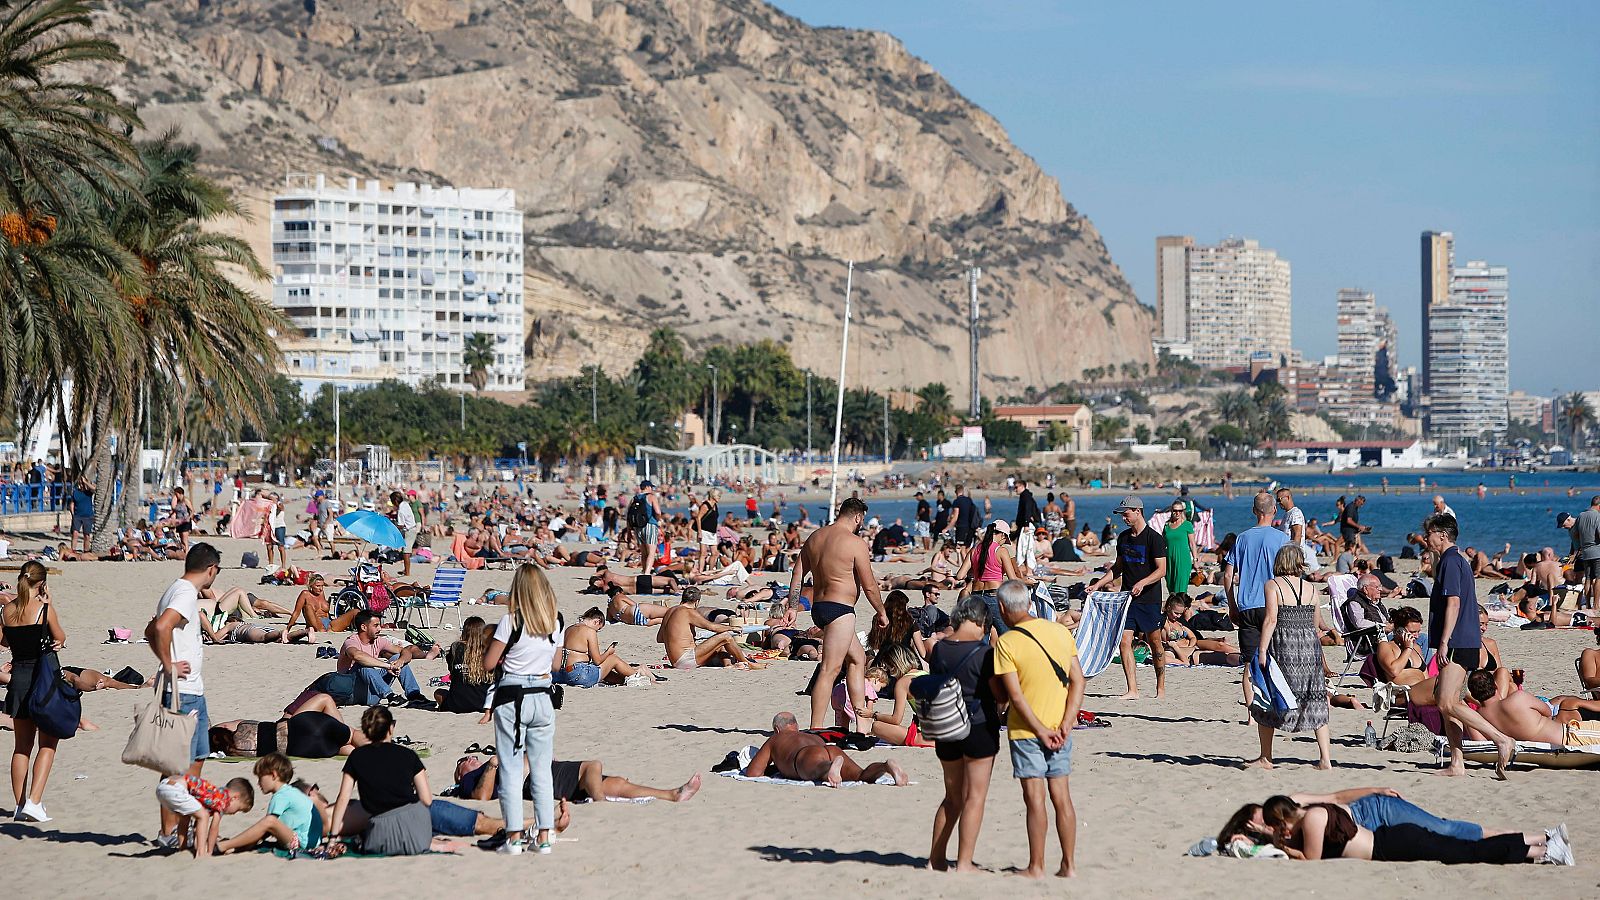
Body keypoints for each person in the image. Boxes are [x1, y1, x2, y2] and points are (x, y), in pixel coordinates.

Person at [990, 580, 1085, 878]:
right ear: (1030, 604)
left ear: (1002, 608)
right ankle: (1068, 865)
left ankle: (1037, 866)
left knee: (1035, 800)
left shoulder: (1006, 643)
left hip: (1027, 731)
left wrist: (1041, 730)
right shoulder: (1059, 631)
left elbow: (1013, 697)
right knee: (1062, 798)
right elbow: (1078, 681)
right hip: (1061, 727)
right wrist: (1067, 722)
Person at [1424, 513, 1513, 777]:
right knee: (1446, 702)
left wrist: (1443, 642)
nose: (1425, 538)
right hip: (1462, 639)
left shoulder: (1452, 562)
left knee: (1447, 702)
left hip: (1456, 641)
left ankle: (1501, 739)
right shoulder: (1453, 560)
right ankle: (1457, 763)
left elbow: (1454, 603)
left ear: (1442, 535)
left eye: (1429, 533)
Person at [481, 563, 562, 855]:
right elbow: (556, 664)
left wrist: (507, 657)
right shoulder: (555, 621)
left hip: (513, 696)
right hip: (543, 696)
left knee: (512, 768)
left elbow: (489, 663)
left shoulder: (511, 621)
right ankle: (544, 835)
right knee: (541, 769)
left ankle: (514, 837)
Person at [146, 542, 222, 848]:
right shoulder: (186, 593)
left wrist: (166, 662)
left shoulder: (175, 590)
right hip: (183, 692)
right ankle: (169, 832)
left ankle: (181, 831)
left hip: (191, 690)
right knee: (177, 766)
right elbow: (160, 627)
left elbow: (150, 630)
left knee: (197, 758)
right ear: (211, 569)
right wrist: (169, 665)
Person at [791, 497, 886, 728]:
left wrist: (792, 607)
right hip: (840, 610)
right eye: (862, 520)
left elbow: (797, 574)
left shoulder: (815, 537)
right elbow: (869, 585)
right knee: (829, 669)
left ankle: (861, 724)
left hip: (819, 609)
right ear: (858, 517)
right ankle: (815, 728)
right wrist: (881, 611)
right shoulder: (855, 543)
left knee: (857, 659)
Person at [1253, 795, 1565, 865]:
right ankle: (1544, 841)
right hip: (1393, 839)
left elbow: (1311, 859)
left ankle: (1543, 849)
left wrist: (1281, 846)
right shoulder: (1316, 811)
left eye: (1277, 826)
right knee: (1460, 846)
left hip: (1392, 845)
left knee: (1466, 850)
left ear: (1281, 820)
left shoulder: (1312, 819)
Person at [926, 597, 998, 873]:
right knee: (975, 797)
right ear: (981, 621)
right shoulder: (985, 652)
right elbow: (998, 694)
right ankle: (965, 862)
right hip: (978, 726)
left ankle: (936, 859)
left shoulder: (940, 649)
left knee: (952, 797)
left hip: (946, 726)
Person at [1245, 545, 1332, 770]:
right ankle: (1325, 759)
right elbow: (1316, 624)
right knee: (1315, 699)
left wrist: (1262, 650)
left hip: (1283, 645)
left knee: (1268, 697)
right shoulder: (1311, 588)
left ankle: (1266, 757)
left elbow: (1271, 619)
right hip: (1309, 646)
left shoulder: (1273, 585)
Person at [330, 706, 458, 855]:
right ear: (391, 728)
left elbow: (343, 797)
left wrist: (333, 837)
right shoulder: (408, 755)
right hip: (417, 832)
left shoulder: (356, 756)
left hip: (380, 833)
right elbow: (427, 800)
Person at [1087, 496, 1168, 700]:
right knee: (1124, 641)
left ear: (1138, 511)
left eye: (1126, 514)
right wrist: (1098, 584)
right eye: (1122, 514)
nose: (1123, 518)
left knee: (1155, 643)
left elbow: (1161, 570)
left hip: (1150, 599)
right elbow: (1117, 568)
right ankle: (1133, 689)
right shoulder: (1123, 538)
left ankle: (1160, 688)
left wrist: (1143, 583)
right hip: (1127, 599)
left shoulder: (1154, 538)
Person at [3, 561, 64, 823]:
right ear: (42, 584)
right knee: (48, 742)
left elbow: (4, 641)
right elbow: (60, 637)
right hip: (43, 678)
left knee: (21, 747)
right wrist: (49, 604)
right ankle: (34, 802)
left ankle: (19, 806)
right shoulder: (43, 609)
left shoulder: (6, 610)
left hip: (19, 678)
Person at [1227, 493, 1289, 715]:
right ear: (1274, 510)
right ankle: (1277, 706)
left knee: (1249, 662)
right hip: (1272, 604)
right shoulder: (1281, 538)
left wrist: (1232, 605)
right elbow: (1288, 574)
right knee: (1276, 658)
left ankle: (1252, 715)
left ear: (1254, 511)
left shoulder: (1242, 538)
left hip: (1247, 605)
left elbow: (1228, 575)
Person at [456, 753, 701, 806]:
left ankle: (672, 794)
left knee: (617, 782)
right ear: (460, 773)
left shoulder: (484, 768)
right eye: (466, 760)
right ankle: (600, 802)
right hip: (536, 778)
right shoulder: (470, 779)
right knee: (592, 767)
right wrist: (492, 764)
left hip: (546, 771)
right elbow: (482, 797)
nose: (473, 757)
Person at [742, 711, 907, 787]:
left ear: (777, 729)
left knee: (820, 768)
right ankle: (885, 766)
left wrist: (775, 767)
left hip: (805, 756)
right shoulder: (809, 735)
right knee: (861, 776)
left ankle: (830, 767)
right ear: (796, 726)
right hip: (829, 749)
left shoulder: (775, 739)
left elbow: (753, 773)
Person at [1466, 670, 1600, 746]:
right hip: (1569, 735)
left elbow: (1480, 743)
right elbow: (1547, 711)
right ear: (1496, 685)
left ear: (1473, 694)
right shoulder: (1518, 698)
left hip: (1553, 742)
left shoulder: (1476, 718)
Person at [217, 754, 317, 855]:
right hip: (310, 841)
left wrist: (238, 847)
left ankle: (223, 845)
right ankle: (233, 846)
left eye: (260, 778)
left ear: (273, 775)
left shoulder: (280, 796)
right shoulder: (290, 792)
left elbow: (266, 827)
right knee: (269, 823)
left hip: (302, 843)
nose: (258, 783)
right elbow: (265, 832)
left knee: (269, 821)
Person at [337, 611, 435, 707]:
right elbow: (357, 656)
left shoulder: (378, 641)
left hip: (372, 692)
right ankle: (391, 696)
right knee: (362, 664)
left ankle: (414, 695)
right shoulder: (351, 641)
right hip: (353, 692)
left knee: (397, 657)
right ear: (363, 627)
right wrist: (388, 666)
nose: (379, 629)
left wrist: (400, 662)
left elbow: (406, 651)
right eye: (376, 625)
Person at [155, 772, 253, 857]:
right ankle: (201, 854)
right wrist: (210, 850)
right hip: (177, 789)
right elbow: (213, 829)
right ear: (235, 798)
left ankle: (183, 849)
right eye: (238, 809)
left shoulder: (213, 794)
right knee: (204, 816)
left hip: (164, 785)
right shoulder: (223, 800)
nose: (234, 813)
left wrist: (196, 843)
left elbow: (198, 827)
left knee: (185, 817)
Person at [656, 587, 751, 669]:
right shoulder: (688, 611)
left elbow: (660, 639)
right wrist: (732, 628)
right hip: (685, 660)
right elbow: (712, 627)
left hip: (675, 661)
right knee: (725, 636)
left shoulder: (670, 611)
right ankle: (748, 663)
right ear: (697, 602)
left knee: (720, 645)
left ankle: (728, 665)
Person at [557, 607, 641, 686]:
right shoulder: (589, 631)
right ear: (597, 621)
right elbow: (597, 661)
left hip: (563, 674)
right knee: (613, 659)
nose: (596, 631)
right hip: (579, 674)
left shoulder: (569, 629)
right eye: (598, 629)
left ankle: (624, 680)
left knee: (607, 672)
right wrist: (608, 652)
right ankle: (636, 676)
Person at [434, 617, 493, 713]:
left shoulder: (456, 648)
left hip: (457, 704)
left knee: (438, 693)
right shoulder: (489, 650)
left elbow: (452, 671)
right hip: (483, 704)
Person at [1160, 597, 1241, 666]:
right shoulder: (1164, 622)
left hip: (1193, 644)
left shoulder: (1178, 622)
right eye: (1176, 613)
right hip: (1183, 650)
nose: (1178, 616)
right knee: (1221, 656)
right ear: (1169, 608)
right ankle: (1243, 659)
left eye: (1180, 614)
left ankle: (1244, 653)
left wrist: (1190, 645)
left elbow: (1193, 636)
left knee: (1220, 645)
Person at [1275, 487, 1318, 570]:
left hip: (1292, 556)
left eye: (1279, 500)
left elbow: (1297, 535)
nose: (1278, 503)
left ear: (1288, 497)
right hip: (1286, 554)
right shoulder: (1287, 514)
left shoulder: (1295, 513)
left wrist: (1294, 557)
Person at [1571, 495, 1600, 611]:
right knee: (1598, 578)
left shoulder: (1581, 515)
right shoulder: (1598, 516)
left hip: (1585, 552)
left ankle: (1588, 605)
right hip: (1597, 552)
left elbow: (1575, 534)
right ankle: (1596, 605)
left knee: (1588, 578)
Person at [1163, 501, 1197, 594]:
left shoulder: (1187, 525)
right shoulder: (1167, 526)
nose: (1177, 513)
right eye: (1175, 510)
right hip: (1169, 559)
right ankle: (1174, 603)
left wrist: (1195, 560)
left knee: (1181, 587)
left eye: (1180, 511)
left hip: (1183, 559)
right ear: (1171, 511)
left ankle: (1181, 602)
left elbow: (1192, 544)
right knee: (1170, 586)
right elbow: (1163, 544)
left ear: (1183, 511)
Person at [68, 477, 94, 554]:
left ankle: (86, 551)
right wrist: (73, 514)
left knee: (86, 535)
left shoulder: (88, 492)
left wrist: (86, 482)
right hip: (77, 516)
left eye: (82, 483)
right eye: (80, 483)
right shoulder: (75, 492)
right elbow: (72, 503)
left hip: (88, 516)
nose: (81, 485)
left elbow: (95, 489)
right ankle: (73, 550)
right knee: (75, 533)